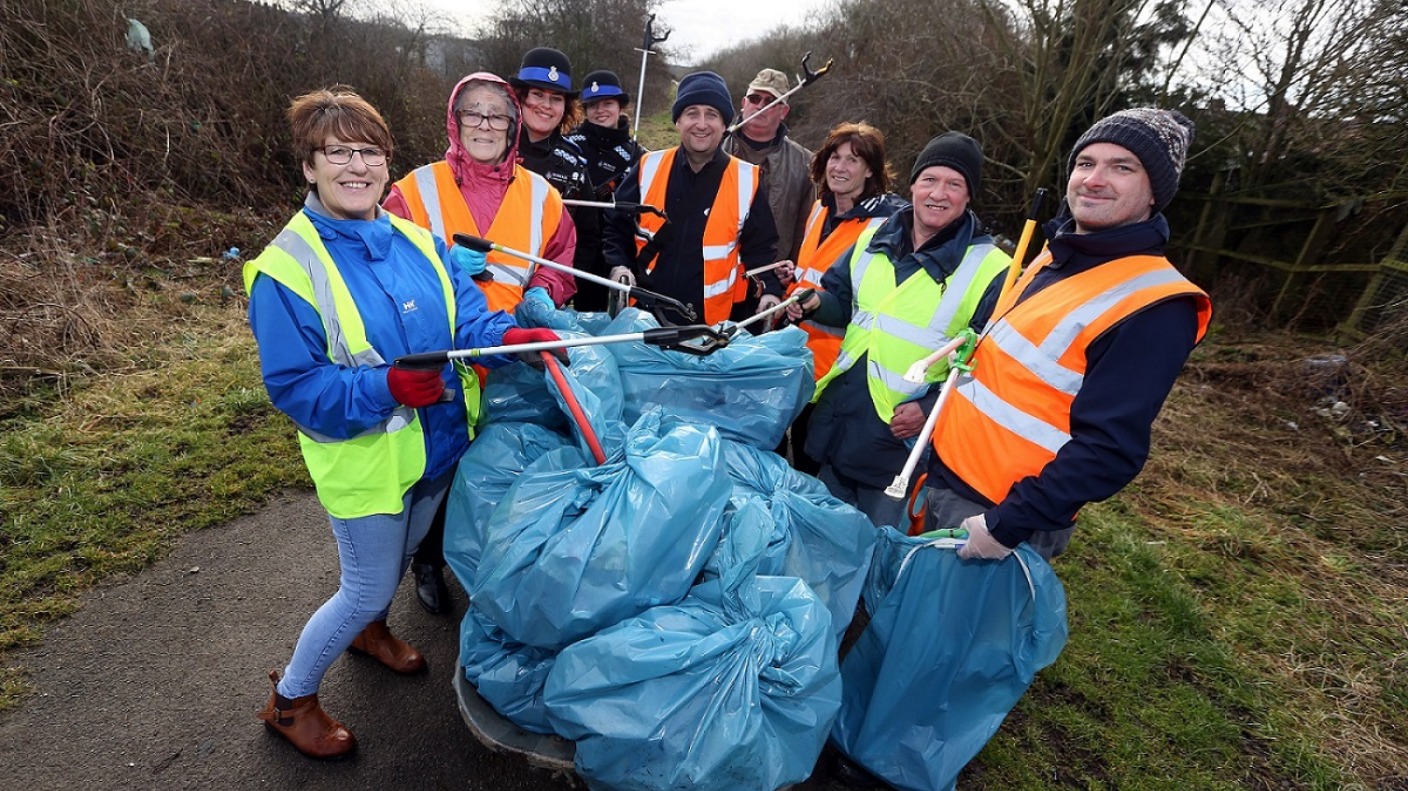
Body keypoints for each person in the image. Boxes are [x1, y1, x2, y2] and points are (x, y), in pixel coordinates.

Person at [245, 88, 562, 759]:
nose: (356, 166)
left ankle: (370, 629)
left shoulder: (418, 240)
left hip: (439, 446)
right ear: (309, 166)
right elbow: (294, 385)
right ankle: (292, 697)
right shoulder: (286, 268)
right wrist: (384, 385)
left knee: (386, 572)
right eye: (338, 153)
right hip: (369, 461)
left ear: (387, 163)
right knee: (362, 583)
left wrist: (513, 337)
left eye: (369, 151)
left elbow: (469, 321)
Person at [924, 108, 1211, 562]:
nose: (1094, 179)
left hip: (998, 517)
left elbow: (1109, 450)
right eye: (1085, 163)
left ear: (1155, 192)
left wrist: (1004, 526)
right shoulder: (1056, 257)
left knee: (946, 633)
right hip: (945, 474)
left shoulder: (1157, 304)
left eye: (1122, 167)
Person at [383, 71, 578, 614]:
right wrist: (442, 264)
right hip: (445, 358)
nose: (485, 124)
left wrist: (541, 294)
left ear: (514, 126)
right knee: (437, 472)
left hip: (513, 357)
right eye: (474, 112)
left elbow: (561, 263)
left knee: (497, 468)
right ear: (455, 120)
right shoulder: (414, 190)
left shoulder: (543, 197)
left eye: (497, 114)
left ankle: (489, 563)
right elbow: (385, 267)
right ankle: (426, 561)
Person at [787, 132, 1010, 530]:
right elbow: (845, 304)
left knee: (878, 557)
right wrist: (817, 303)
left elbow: (990, 369)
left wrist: (928, 410)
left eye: (954, 184)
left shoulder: (992, 269)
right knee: (819, 540)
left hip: (898, 444)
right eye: (929, 180)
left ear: (969, 196)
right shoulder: (874, 237)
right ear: (913, 185)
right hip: (841, 422)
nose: (938, 194)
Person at [602, 70, 785, 327]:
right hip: (643, 321)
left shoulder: (747, 179)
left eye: (711, 114)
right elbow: (617, 226)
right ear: (677, 122)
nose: (701, 124)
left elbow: (761, 248)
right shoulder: (647, 167)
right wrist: (618, 265)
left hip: (714, 328)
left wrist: (770, 290)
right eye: (691, 113)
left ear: (724, 126)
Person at [780, 122, 907, 475]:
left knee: (811, 467)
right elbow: (817, 273)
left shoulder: (885, 226)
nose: (840, 167)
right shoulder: (821, 210)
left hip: (838, 372)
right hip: (799, 357)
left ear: (871, 170)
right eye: (835, 157)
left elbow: (873, 303)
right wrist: (792, 279)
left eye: (853, 160)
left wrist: (817, 302)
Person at [565, 69, 646, 311]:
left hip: (618, 254)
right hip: (577, 249)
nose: (600, 111)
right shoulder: (570, 145)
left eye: (607, 103)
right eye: (593, 105)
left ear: (620, 107)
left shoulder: (637, 155)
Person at [724, 68, 815, 267]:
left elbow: (806, 230)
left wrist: (792, 275)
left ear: (784, 111)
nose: (760, 106)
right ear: (743, 103)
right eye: (755, 98)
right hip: (713, 275)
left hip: (769, 280)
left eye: (771, 101)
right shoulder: (714, 149)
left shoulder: (806, 164)